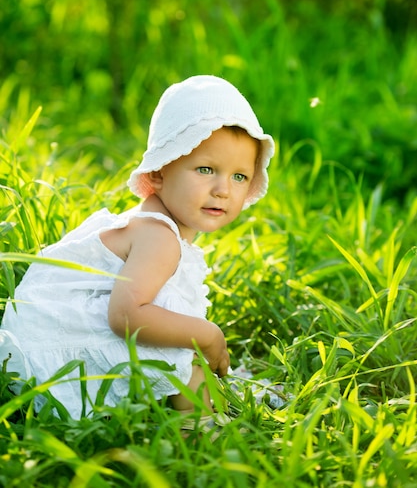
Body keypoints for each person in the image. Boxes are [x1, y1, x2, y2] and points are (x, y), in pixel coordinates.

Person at [0, 75, 275, 425]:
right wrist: (208, 334)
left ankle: (207, 406)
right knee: (189, 360)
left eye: (239, 176)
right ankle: (201, 432)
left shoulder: (157, 225)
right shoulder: (157, 235)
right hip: (50, 356)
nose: (223, 189)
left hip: (34, 340)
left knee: (186, 348)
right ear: (159, 173)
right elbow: (126, 317)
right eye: (206, 169)